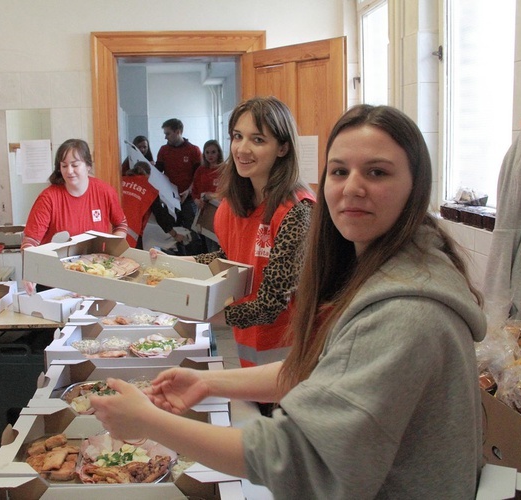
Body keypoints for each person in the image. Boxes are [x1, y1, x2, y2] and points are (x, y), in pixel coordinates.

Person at [90, 105, 487, 499]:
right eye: (339, 171)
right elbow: (314, 371)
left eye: (377, 172)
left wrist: (148, 422)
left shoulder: (404, 313)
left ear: (416, 185)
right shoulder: (383, 274)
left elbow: (299, 458)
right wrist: (206, 381)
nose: (351, 187)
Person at [157, 96, 315, 373]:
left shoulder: (296, 211)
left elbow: (270, 304)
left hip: (292, 359)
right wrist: (175, 264)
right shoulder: (233, 205)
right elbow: (232, 256)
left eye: (258, 140)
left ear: (283, 148)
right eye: (237, 136)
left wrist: (199, 313)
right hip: (249, 353)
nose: (242, 149)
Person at [22, 138, 128, 294]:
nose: (69, 171)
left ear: (88, 166)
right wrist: (30, 270)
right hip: (55, 281)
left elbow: (121, 224)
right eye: (64, 166)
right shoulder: (48, 198)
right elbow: (30, 241)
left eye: (75, 165)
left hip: (96, 277)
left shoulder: (105, 192)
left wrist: (112, 255)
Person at [155, 118, 203, 254]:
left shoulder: (193, 150)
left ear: (178, 132)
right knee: (174, 233)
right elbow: (158, 173)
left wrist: (188, 191)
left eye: (168, 133)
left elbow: (198, 176)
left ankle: (196, 263)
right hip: (170, 200)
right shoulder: (164, 150)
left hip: (188, 198)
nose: (165, 137)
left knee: (192, 233)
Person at [191, 139, 223, 252]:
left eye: (213, 152)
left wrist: (213, 196)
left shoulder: (224, 169)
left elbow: (229, 191)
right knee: (207, 243)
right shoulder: (201, 170)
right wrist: (196, 200)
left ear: (218, 153)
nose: (210, 155)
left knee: (217, 243)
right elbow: (194, 190)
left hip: (219, 210)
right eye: (207, 152)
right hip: (203, 210)